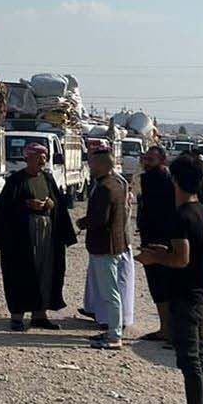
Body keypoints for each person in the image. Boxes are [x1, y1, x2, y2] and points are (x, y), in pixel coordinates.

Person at [136, 153, 203, 404]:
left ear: (175, 180)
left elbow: (181, 259)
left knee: (190, 361)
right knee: (200, 360)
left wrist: (155, 256)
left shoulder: (180, 216)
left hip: (184, 297)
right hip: (201, 294)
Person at [0, 142, 76, 331]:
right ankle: (17, 316)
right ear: (28, 158)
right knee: (21, 273)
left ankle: (39, 315)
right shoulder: (16, 181)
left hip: (46, 236)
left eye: (44, 157)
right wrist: (25, 206)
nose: (42, 161)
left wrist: (49, 204)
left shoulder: (47, 179)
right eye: (38, 157)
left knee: (45, 273)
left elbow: (57, 204)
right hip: (22, 238)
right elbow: (4, 211)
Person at [78, 149, 130, 349]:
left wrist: (82, 222)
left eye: (92, 162)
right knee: (110, 292)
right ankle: (111, 331)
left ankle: (114, 336)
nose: (89, 166)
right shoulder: (116, 185)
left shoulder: (104, 189)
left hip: (104, 247)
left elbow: (99, 219)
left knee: (110, 293)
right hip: (113, 246)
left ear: (100, 165)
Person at [135, 146, 178, 343]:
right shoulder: (161, 176)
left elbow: (154, 210)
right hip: (159, 236)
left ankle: (167, 330)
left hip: (157, 239)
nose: (146, 161)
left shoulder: (155, 177)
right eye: (145, 157)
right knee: (162, 285)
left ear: (161, 160)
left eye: (151, 158)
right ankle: (167, 328)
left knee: (160, 284)